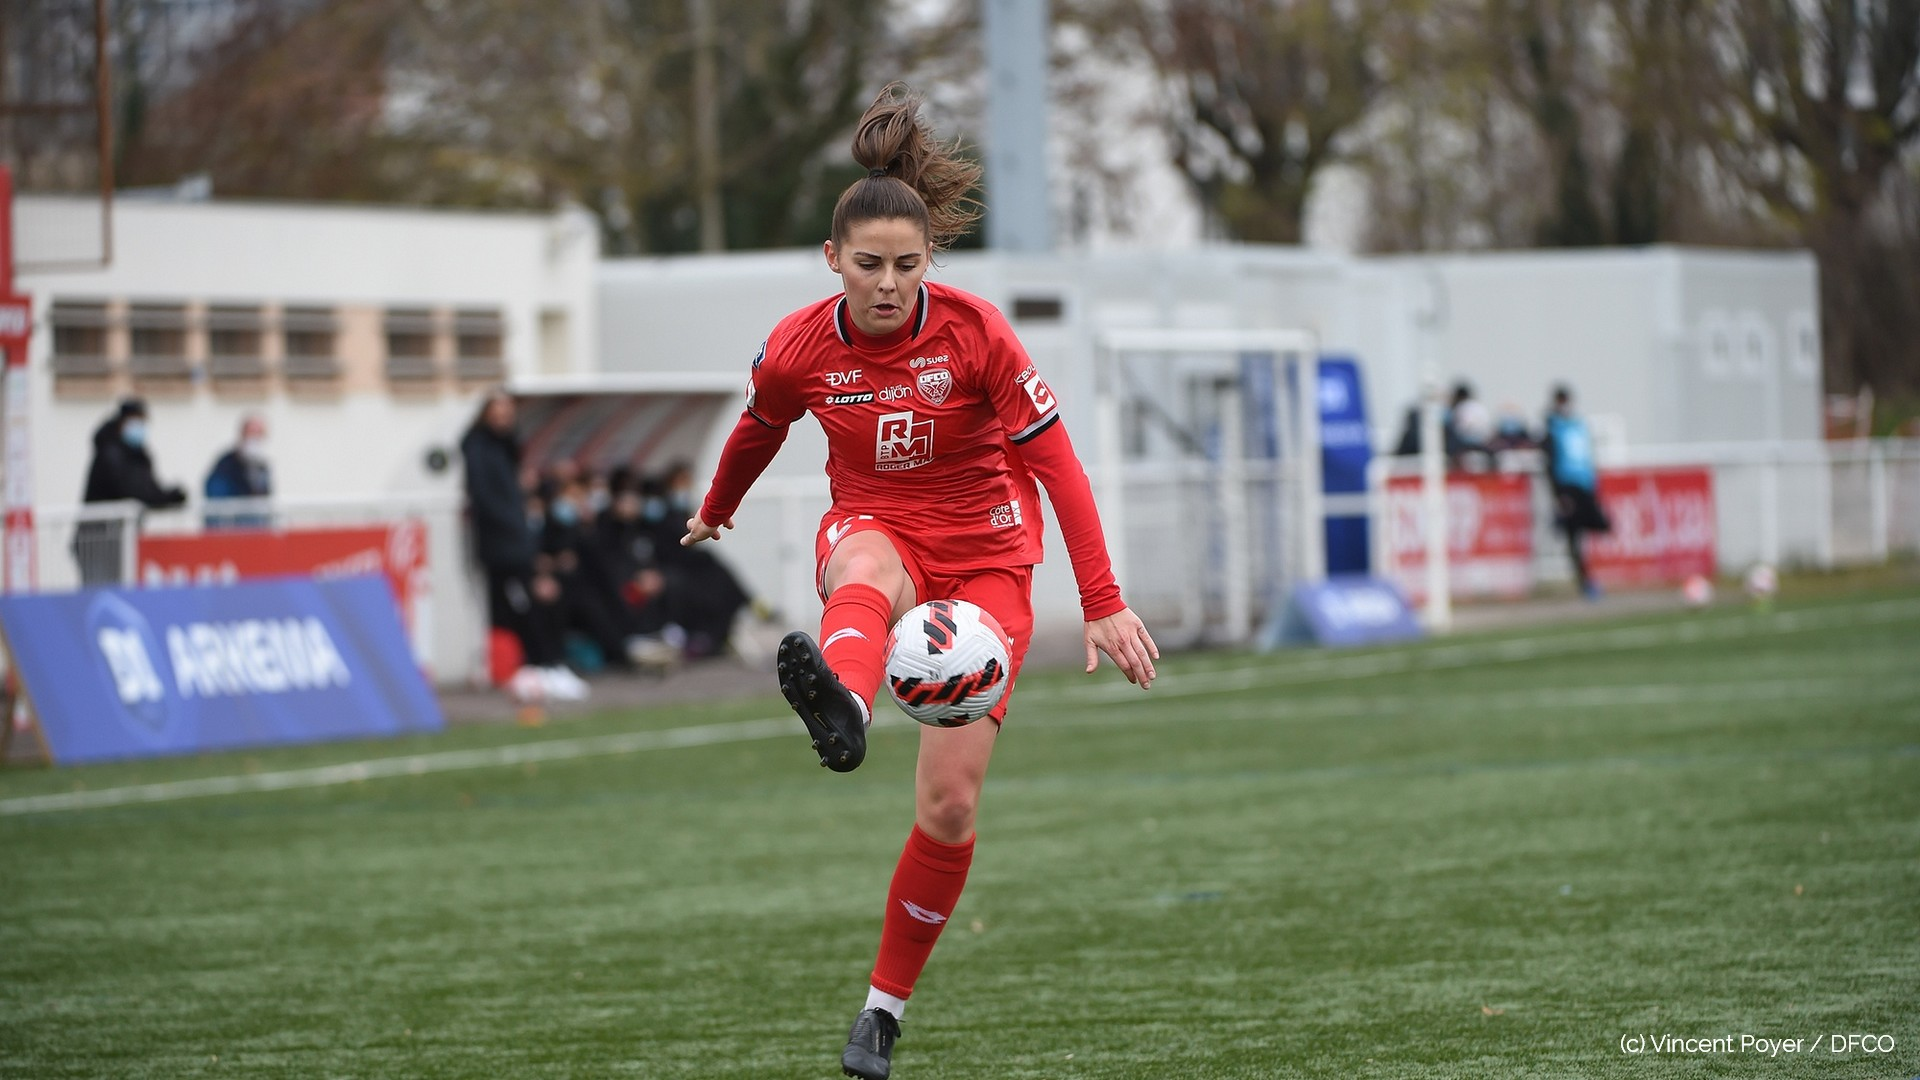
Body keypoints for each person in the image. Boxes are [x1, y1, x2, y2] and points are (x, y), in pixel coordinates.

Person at [681, 83, 1159, 1080]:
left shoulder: (978, 334)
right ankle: (847, 709)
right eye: (869, 265)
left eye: (907, 265)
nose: (889, 284)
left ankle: (882, 1012)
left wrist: (1103, 601)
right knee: (861, 563)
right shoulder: (801, 346)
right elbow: (759, 428)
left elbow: (1059, 467)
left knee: (948, 806)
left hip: (989, 558)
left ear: (929, 259)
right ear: (832, 260)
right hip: (880, 525)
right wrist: (719, 505)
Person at [460, 391, 585, 702]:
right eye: (498, 411)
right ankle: (535, 666)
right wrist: (518, 531)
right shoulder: (478, 447)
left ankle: (544, 664)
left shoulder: (506, 447)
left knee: (533, 604)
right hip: (503, 548)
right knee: (521, 608)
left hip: (516, 545)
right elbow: (487, 499)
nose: (504, 417)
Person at [75, 397, 187, 585]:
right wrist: (165, 498)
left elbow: (149, 488)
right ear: (123, 422)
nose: (141, 427)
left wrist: (169, 496)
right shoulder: (110, 453)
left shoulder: (140, 454)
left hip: (122, 541)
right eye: (136, 420)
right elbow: (132, 491)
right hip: (98, 540)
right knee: (100, 592)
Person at [1541, 383, 1611, 599]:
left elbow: (1587, 456)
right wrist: (1558, 494)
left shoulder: (1579, 425)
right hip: (1567, 488)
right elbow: (1549, 463)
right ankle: (1586, 582)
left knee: (1602, 525)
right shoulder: (1552, 427)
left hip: (1585, 485)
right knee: (1573, 537)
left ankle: (1595, 576)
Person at [203, 413, 273, 529]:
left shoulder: (262, 466)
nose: (255, 438)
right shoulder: (227, 463)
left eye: (259, 434)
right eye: (252, 433)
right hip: (234, 527)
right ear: (242, 434)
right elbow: (216, 499)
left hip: (259, 527)